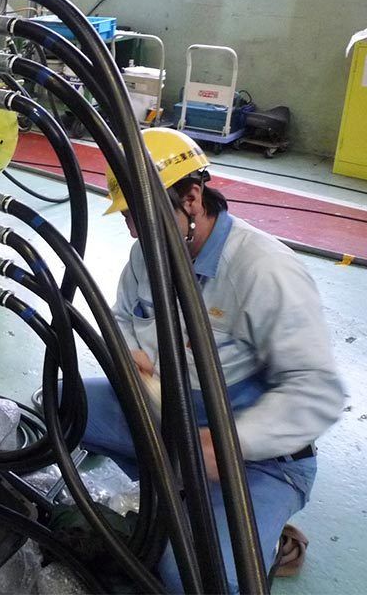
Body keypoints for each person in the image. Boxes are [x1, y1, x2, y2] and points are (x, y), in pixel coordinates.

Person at [80, 128, 346, 593]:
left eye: (141, 214)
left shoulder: (264, 270)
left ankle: (245, 528)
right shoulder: (148, 254)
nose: (134, 231)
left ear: (193, 196)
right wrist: (128, 349)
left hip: (260, 458)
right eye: (126, 217)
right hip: (173, 420)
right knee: (65, 404)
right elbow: (122, 317)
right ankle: (184, 502)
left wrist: (228, 443)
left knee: (197, 579)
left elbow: (318, 392)